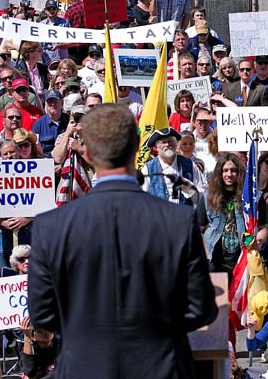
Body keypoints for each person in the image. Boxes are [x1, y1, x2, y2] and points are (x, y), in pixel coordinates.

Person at [28, 104, 218, 379]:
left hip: (84, 368)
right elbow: (202, 309)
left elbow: (43, 316)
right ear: (137, 147)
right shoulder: (177, 221)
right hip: (160, 367)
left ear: (89, 153)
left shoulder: (50, 227)